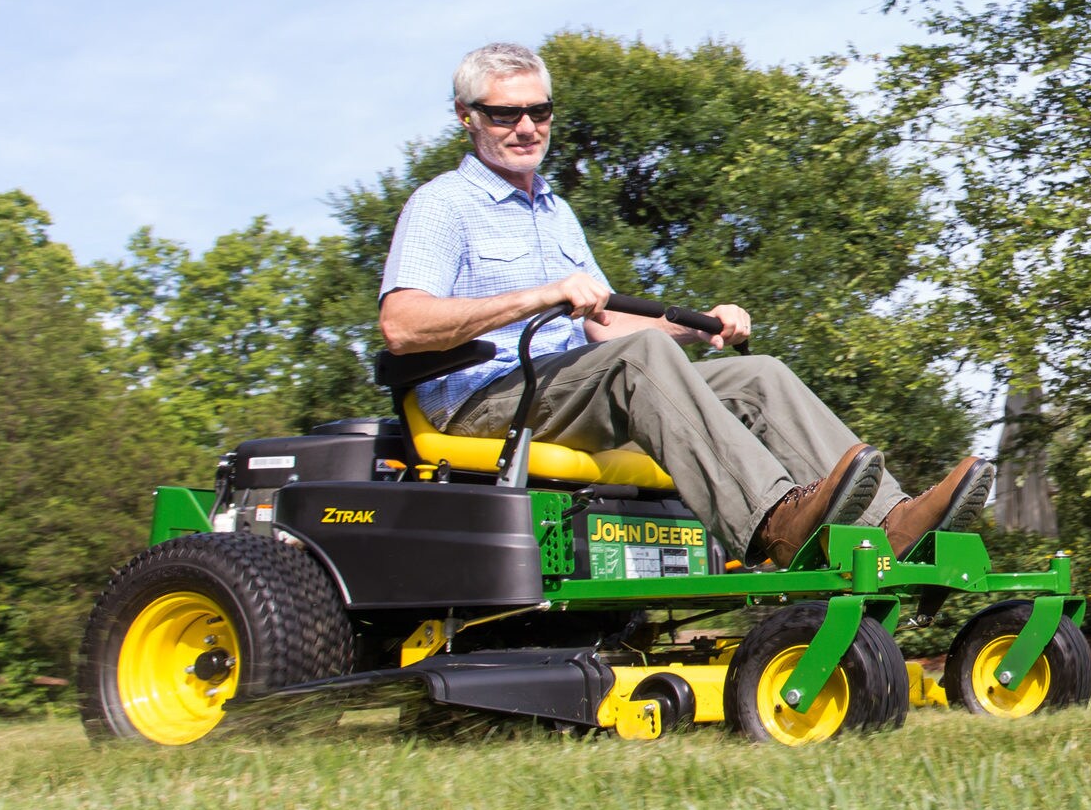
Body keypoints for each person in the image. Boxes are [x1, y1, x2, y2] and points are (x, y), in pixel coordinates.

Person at [378, 41, 992, 567]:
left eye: (539, 110)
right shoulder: (442, 205)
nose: (526, 127)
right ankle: (774, 522)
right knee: (637, 359)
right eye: (505, 113)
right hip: (483, 401)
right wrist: (540, 296)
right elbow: (401, 326)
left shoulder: (554, 212)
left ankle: (894, 526)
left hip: (563, 391)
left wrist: (700, 327)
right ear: (466, 116)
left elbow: (608, 323)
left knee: (759, 376)